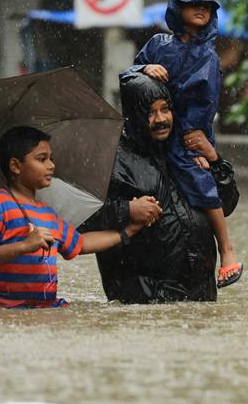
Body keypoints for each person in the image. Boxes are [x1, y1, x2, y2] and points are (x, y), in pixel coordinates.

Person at [122, 0, 243, 288]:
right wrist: (145, 70)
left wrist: (211, 158)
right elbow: (130, 74)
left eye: (206, 5)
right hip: (147, 286)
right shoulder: (125, 164)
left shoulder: (208, 57)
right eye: (192, 4)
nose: (200, 9)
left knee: (201, 182)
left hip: (192, 136)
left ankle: (227, 250)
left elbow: (226, 198)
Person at [79, 74, 239, 303]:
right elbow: (82, 221)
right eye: (150, 112)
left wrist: (214, 161)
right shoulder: (112, 158)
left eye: (165, 109)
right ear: (134, 115)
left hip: (199, 297)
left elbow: (227, 205)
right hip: (141, 301)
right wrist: (127, 210)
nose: (161, 119)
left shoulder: (184, 151)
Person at [0, 126, 158, 308]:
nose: (51, 165)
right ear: (15, 165)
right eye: (42, 159)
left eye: (51, 158)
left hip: (45, 309)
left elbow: (80, 243)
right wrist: (24, 245)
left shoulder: (47, 212)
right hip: (1, 308)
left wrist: (128, 231)